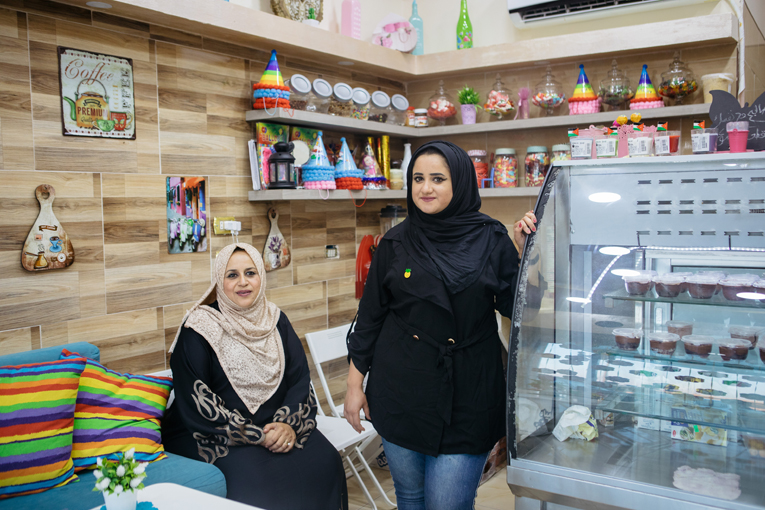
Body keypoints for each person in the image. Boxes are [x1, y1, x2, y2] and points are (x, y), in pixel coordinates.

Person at [344, 140, 536, 510]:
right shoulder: (395, 242)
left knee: (448, 503)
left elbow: (519, 309)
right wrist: (354, 386)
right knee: (411, 499)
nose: (425, 188)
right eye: (418, 178)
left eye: (437, 178)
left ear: (460, 182)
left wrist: (524, 252)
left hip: (469, 393)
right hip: (400, 390)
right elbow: (369, 319)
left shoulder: (492, 238)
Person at [162, 243, 347, 510]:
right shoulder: (199, 329)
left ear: (261, 275)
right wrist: (255, 435)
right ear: (218, 281)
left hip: (277, 425)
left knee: (325, 459)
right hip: (213, 434)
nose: (243, 282)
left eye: (250, 272)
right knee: (260, 482)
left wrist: (286, 426)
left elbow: (299, 379)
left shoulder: (276, 319)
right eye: (232, 275)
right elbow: (196, 400)